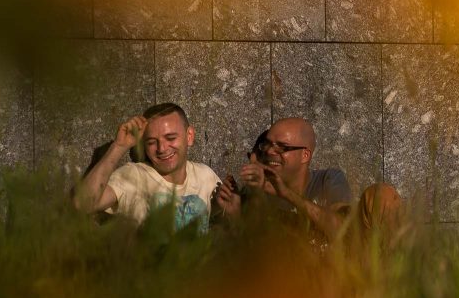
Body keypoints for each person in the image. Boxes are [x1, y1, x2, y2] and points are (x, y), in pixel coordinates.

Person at [214, 117, 402, 244]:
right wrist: (236, 217)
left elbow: (342, 233)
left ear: (305, 155)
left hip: (332, 280)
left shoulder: (328, 180)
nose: (270, 151)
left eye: (282, 147)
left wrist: (286, 194)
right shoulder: (253, 195)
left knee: (382, 195)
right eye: (267, 145)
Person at [73, 102, 220, 234]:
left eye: (170, 138)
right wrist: (119, 147)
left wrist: (234, 210)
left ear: (189, 136)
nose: (162, 148)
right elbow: (82, 204)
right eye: (151, 142)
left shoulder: (205, 175)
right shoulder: (133, 175)